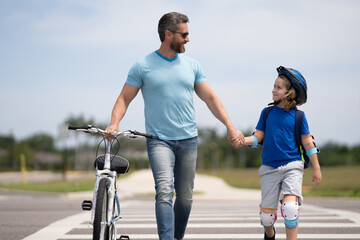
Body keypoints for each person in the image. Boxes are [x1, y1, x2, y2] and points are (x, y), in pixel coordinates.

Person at [105, 12, 244, 240]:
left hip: (188, 139)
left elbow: (210, 98)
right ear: (168, 34)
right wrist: (114, 123)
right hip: (158, 140)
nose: (188, 39)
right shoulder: (142, 66)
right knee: (164, 191)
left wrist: (230, 125)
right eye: (184, 34)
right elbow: (123, 99)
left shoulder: (192, 65)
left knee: (186, 196)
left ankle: (177, 237)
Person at [241, 66, 322, 240]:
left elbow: (308, 143)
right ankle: (269, 234)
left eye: (278, 87)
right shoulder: (267, 113)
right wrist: (243, 140)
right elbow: (258, 138)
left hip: (292, 165)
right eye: (274, 86)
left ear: (289, 92)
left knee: (290, 208)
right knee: (266, 218)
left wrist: (316, 167)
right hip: (269, 168)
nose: (273, 90)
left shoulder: (299, 117)